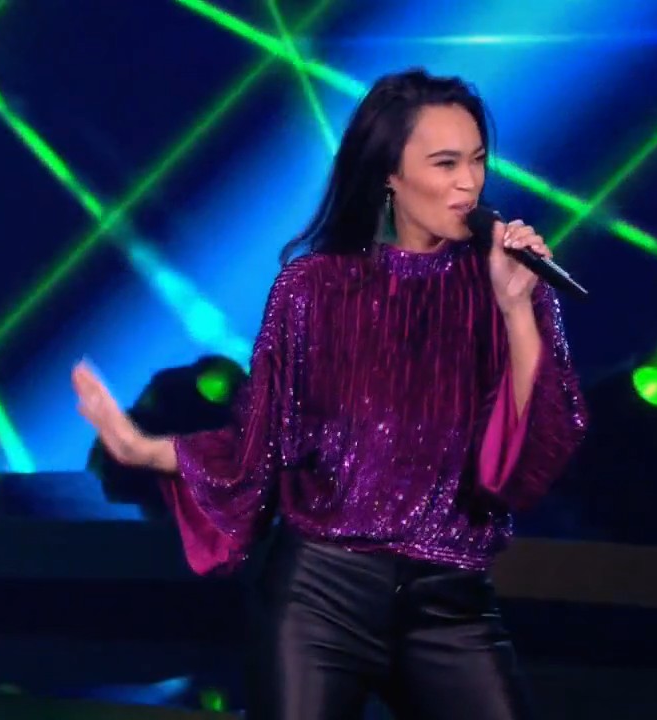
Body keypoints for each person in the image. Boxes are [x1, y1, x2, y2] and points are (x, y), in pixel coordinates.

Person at [72, 68, 587, 720]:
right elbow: (259, 448)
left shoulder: (507, 290)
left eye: (478, 160)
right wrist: (140, 449)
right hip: (322, 596)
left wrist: (516, 310)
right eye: (446, 163)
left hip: (451, 606)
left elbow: (514, 464)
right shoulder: (314, 290)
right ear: (389, 175)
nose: (469, 182)